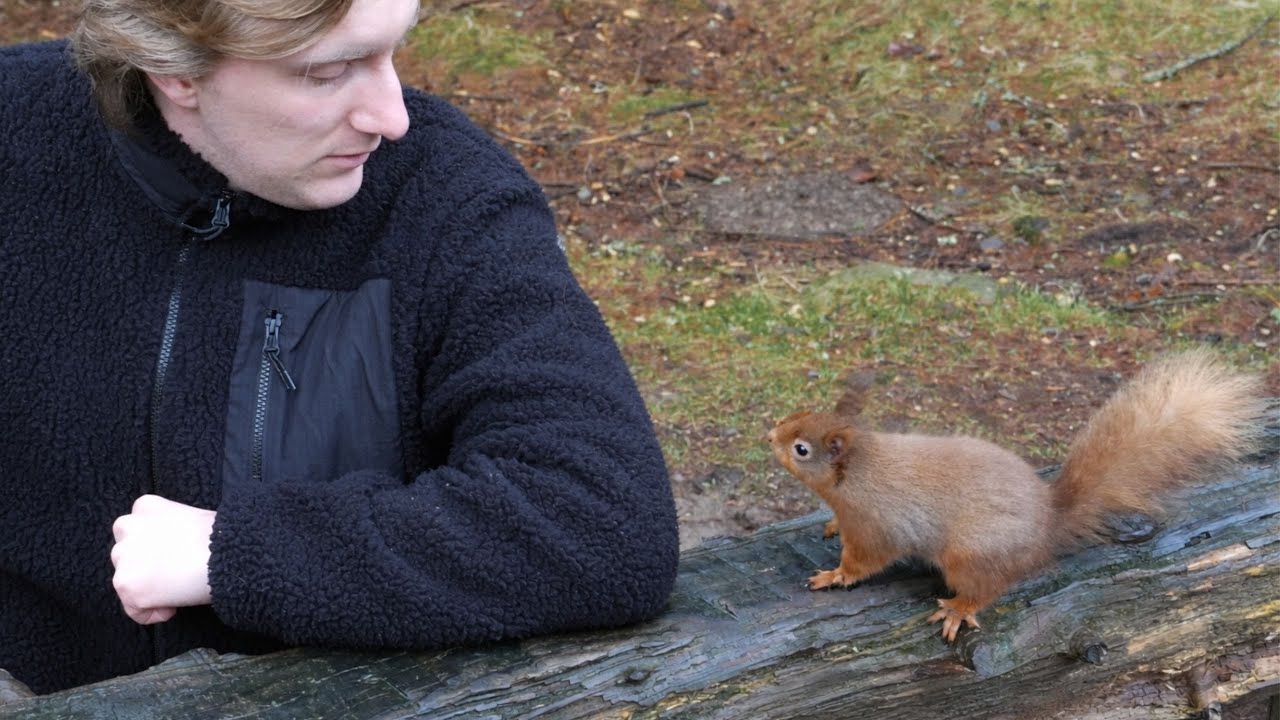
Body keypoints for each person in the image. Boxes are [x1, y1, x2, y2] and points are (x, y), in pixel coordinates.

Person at [0, 0, 679, 695]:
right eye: (329, 71)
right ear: (177, 68)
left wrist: (233, 553)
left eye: (392, 53)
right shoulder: (17, 136)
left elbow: (600, 522)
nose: (391, 117)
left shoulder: (443, 200)